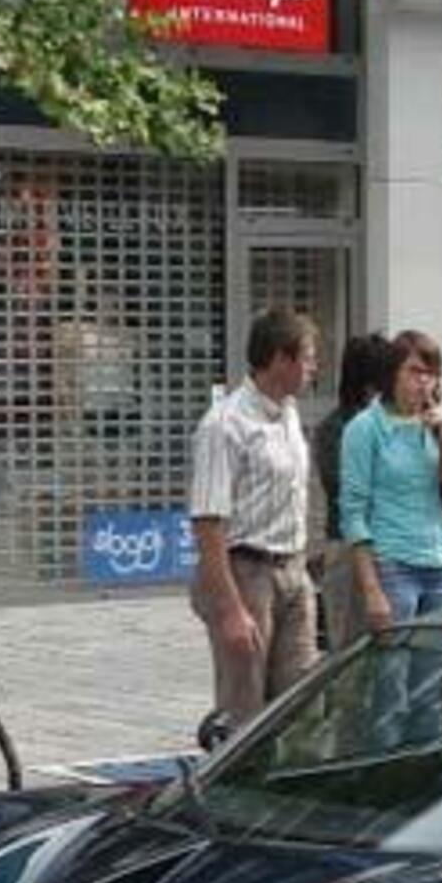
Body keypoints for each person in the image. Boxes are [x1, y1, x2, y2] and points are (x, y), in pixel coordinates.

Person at [188, 307, 321, 733]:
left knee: (301, 700)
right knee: (244, 707)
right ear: (281, 360)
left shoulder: (289, 412)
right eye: (309, 357)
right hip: (246, 571)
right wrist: (229, 610)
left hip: (293, 568)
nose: (314, 368)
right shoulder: (225, 424)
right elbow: (208, 523)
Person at [343, 329, 442, 630]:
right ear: (392, 374)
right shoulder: (366, 428)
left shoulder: (439, 421)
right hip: (393, 563)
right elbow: (353, 513)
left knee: (437, 670)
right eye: (415, 372)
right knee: (392, 670)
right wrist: (371, 589)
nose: (423, 382)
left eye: (431, 374)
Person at [309, 330, 391, 652]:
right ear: (369, 383)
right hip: (348, 550)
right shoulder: (335, 430)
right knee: (350, 654)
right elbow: (348, 493)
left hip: (394, 546)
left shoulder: (397, 422)